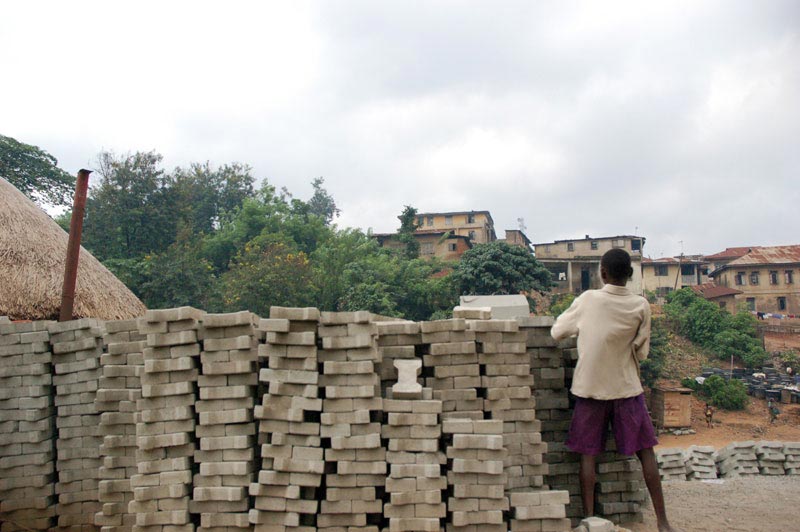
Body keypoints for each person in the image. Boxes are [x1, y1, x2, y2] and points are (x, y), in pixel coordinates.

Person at [552, 248, 677, 532]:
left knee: (588, 455)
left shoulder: (588, 300)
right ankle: (663, 522)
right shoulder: (641, 305)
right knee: (646, 452)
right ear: (629, 275)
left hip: (590, 388)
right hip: (626, 388)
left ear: (603, 273)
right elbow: (641, 352)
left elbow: (557, 332)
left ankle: (589, 518)